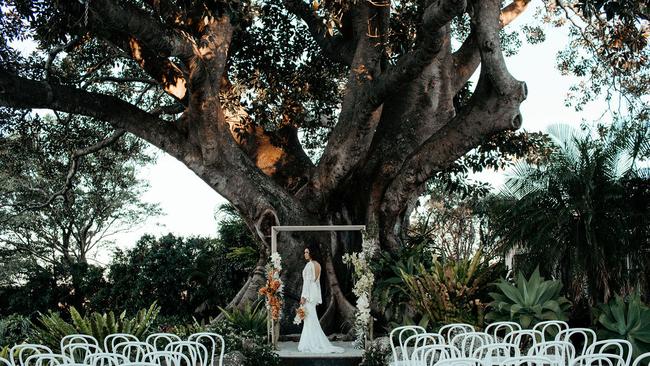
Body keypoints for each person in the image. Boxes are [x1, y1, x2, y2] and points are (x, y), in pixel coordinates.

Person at [297, 244, 344, 353]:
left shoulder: (309, 265)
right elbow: (317, 283)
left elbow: (307, 283)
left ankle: (311, 343)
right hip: (313, 293)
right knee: (311, 318)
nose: (305, 254)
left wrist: (303, 296)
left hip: (308, 293)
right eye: (305, 252)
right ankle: (312, 341)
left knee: (309, 319)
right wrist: (318, 298)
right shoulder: (318, 265)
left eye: (307, 252)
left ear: (312, 253)